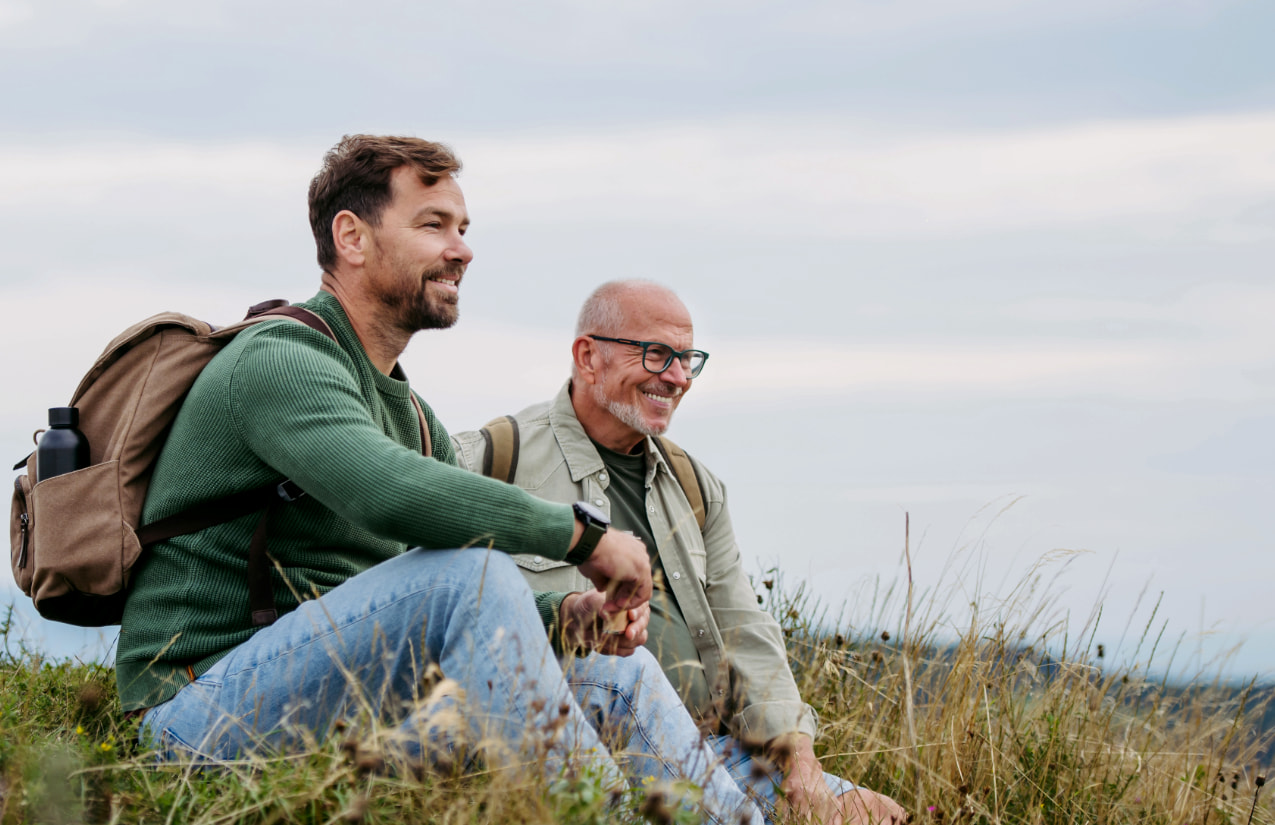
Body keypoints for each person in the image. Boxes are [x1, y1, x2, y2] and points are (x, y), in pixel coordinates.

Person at [114, 136, 765, 824]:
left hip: (337, 708)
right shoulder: (280, 361)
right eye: (433, 224)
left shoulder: (413, 414)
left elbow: (394, 598)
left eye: (463, 229)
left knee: (620, 676)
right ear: (352, 237)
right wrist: (580, 535)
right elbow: (385, 493)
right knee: (470, 575)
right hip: (196, 714)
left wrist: (567, 621)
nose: (462, 249)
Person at [453, 280, 908, 825]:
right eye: (657, 354)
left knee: (876, 815)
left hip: (706, 751)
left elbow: (747, 632)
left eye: (687, 359)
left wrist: (802, 767)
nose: (678, 377)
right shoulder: (491, 459)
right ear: (588, 356)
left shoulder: (695, 486)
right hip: (573, 759)